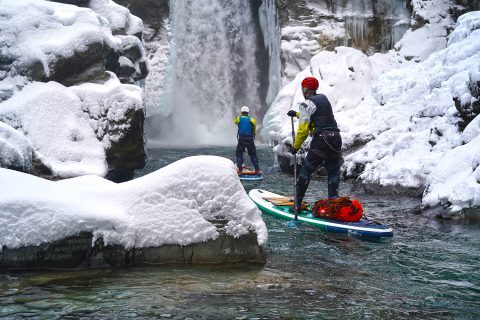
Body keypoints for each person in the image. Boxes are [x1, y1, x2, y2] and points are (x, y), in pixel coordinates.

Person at [287, 76, 342, 211]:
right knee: (333, 171)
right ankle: (333, 205)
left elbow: (303, 129)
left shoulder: (306, 104)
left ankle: (297, 205)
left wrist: (295, 147)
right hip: (335, 138)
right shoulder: (323, 99)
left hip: (322, 140)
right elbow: (317, 116)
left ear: (305, 89)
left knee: (306, 170)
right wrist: (297, 114)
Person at [235, 106, 261, 175]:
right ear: (248, 112)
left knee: (239, 154)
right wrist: (253, 134)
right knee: (253, 154)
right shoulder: (252, 119)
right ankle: (257, 169)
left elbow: (235, 122)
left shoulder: (238, 118)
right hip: (249, 139)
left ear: (241, 112)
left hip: (241, 139)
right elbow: (254, 128)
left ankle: (240, 170)